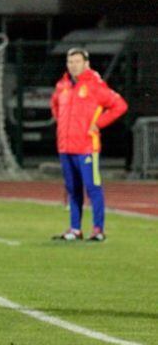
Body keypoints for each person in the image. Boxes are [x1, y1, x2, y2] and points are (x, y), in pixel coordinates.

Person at [50, 47, 127, 242]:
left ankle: (98, 229)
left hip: (86, 147)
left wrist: (98, 124)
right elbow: (55, 104)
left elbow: (120, 105)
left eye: (77, 62)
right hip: (65, 146)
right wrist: (62, 125)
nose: (73, 66)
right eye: (70, 62)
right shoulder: (63, 85)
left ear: (86, 64)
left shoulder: (95, 86)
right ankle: (75, 229)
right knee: (72, 189)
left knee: (92, 188)